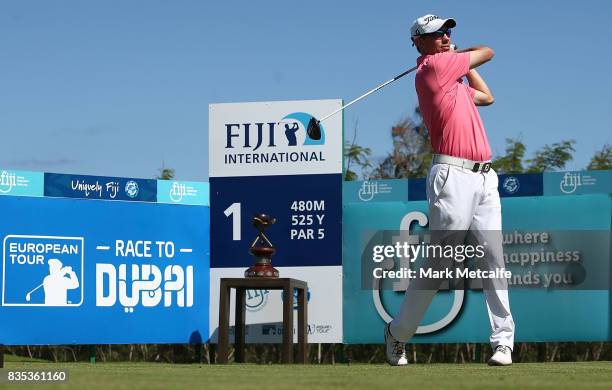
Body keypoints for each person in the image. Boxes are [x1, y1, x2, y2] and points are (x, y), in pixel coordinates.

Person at [384, 14, 515, 366]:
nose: (444, 37)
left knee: (493, 260)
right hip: (452, 176)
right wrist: (460, 55)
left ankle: (503, 342)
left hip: (485, 176)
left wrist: (462, 66)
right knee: (438, 265)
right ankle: (398, 333)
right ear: (419, 42)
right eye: (436, 34)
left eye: (447, 32)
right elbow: (488, 51)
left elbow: (487, 97)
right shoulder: (432, 70)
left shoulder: (451, 79)